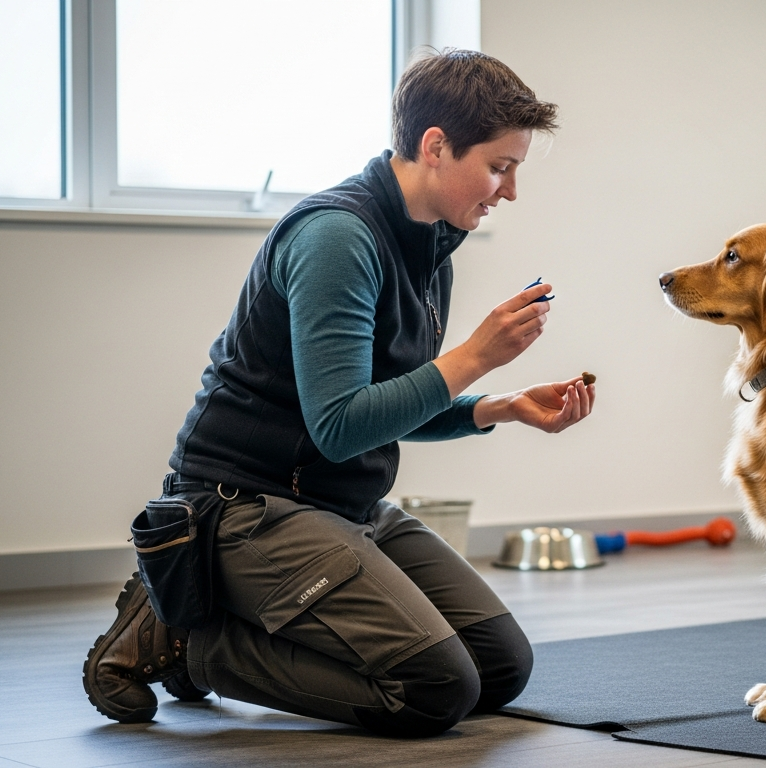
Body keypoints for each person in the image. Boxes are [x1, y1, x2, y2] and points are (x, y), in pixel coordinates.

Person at [81, 50, 593, 738]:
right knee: (433, 688)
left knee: (498, 670)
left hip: (343, 506)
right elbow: (341, 426)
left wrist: (496, 407)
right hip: (244, 509)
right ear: (435, 145)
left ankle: (215, 622)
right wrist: (475, 357)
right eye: (500, 166)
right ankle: (189, 642)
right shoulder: (337, 237)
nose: (509, 190)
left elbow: (384, 400)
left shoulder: (431, 241)